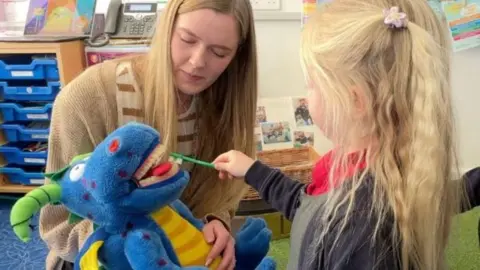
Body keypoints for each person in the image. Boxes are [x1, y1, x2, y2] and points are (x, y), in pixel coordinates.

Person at [212, 0, 480, 269]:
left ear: (354, 101)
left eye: (312, 85)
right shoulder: (348, 168)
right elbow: (307, 206)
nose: (307, 97)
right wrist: (253, 171)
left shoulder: (364, 221)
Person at [39, 0, 258, 269]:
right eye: (187, 39)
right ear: (167, 27)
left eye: (220, 52)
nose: (197, 62)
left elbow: (220, 195)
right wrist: (123, 245)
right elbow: (56, 223)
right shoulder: (87, 97)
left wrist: (216, 222)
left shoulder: (224, 107)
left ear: (237, 55)